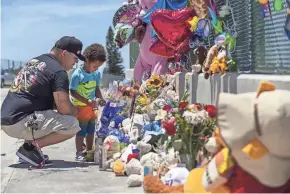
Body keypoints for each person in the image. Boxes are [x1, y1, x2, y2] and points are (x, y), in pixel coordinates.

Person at [1, 36, 85, 167]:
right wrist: (77, 110)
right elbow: (64, 108)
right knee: (72, 124)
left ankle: (29, 151)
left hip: (7, 118)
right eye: (75, 58)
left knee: (47, 112)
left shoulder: (35, 61)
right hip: (20, 121)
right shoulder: (58, 71)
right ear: (64, 53)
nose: (75, 63)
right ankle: (30, 149)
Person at [69, 43, 106, 161]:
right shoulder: (77, 75)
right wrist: (87, 101)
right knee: (81, 131)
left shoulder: (95, 74)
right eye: (95, 66)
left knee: (91, 130)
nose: (96, 69)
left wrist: (100, 98)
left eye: (98, 67)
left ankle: (89, 151)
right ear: (86, 60)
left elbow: (96, 88)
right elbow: (73, 92)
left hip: (91, 107)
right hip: (80, 107)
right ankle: (79, 152)